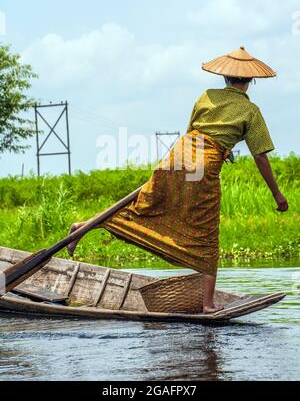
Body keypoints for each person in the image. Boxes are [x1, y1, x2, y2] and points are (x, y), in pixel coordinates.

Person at [67, 46, 288, 314]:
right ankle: (207, 305)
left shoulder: (206, 96)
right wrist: (277, 194)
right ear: (249, 82)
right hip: (204, 167)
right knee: (206, 233)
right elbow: (261, 156)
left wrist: (220, 150)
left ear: (226, 79)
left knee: (143, 207)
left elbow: (194, 133)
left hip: (178, 156)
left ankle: (83, 226)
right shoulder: (250, 110)